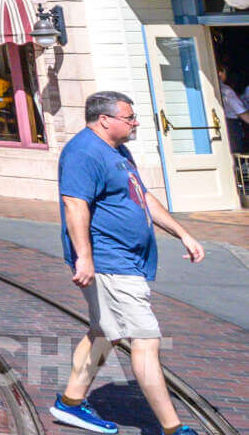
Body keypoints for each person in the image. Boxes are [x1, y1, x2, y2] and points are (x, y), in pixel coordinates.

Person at [52, 90, 207, 435]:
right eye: (129, 117)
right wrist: (85, 259)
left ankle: (71, 403)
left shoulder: (117, 150)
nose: (135, 122)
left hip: (124, 260)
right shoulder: (83, 153)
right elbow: (75, 207)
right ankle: (172, 428)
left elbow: (143, 197)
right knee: (145, 339)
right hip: (110, 262)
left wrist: (182, 233)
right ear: (105, 120)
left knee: (103, 333)